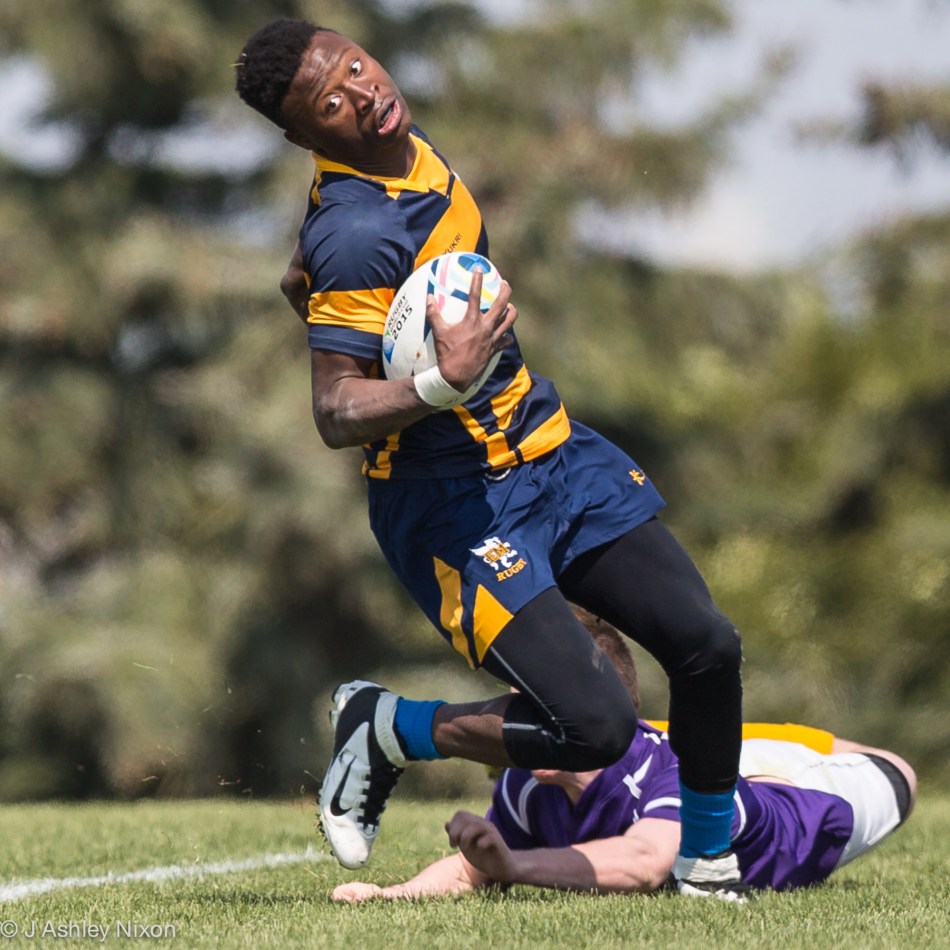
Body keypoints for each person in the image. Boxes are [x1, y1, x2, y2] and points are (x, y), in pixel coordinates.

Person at [234, 19, 747, 899]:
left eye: (357, 66)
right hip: (453, 506)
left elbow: (304, 274)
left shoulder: (401, 145)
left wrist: (311, 285)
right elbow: (332, 409)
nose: (364, 92)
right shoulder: (355, 234)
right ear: (307, 136)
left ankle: (708, 863)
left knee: (706, 645)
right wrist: (444, 380)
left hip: (551, 454)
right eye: (333, 101)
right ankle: (390, 727)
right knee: (595, 727)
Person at [331, 616, 916, 901]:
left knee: (900, 773)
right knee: (729, 755)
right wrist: (393, 894)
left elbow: (646, 862)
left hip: (809, 804)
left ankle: (794, 744)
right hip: (710, 768)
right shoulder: (527, 785)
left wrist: (516, 868)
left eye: (524, 701)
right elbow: (471, 870)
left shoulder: (669, 773)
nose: (505, 713)